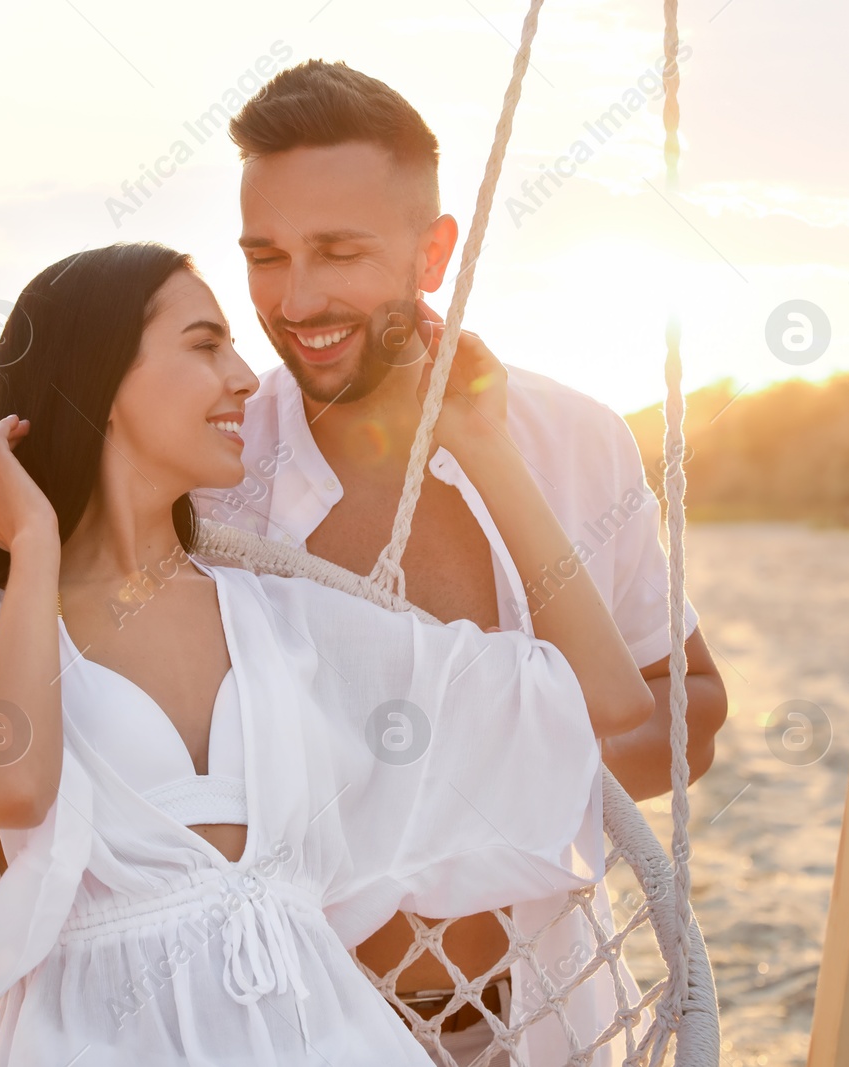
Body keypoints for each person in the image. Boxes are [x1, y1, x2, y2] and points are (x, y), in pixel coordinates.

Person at [0, 242, 655, 1066]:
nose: (246, 376)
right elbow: (10, 786)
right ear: (95, 376)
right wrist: (34, 550)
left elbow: (607, 697)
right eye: (206, 345)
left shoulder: (284, 623)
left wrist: (482, 443)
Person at [184, 60, 731, 1065]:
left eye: (337, 252)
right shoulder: (208, 467)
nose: (295, 299)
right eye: (265, 256)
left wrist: (499, 761)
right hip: (273, 1025)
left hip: (541, 1020)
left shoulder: (575, 438)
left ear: (432, 251)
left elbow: (687, 717)